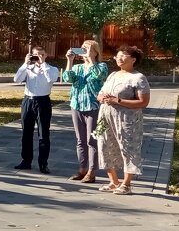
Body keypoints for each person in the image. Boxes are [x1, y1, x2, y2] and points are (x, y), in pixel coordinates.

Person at [95, 45, 151, 195]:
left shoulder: (138, 78)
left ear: (133, 59)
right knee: (105, 145)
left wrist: (118, 100)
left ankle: (126, 184)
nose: (119, 58)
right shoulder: (113, 75)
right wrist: (101, 98)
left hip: (127, 120)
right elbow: (101, 93)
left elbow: (143, 102)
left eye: (123, 56)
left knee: (128, 148)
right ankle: (113, 181)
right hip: (106, 116)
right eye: (117, 55)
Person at [61, 40, 108, 183]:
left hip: (94, 107)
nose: (84, 51)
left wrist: (91, 60)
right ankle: (82, 169)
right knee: (80, 140)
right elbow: (67, 78)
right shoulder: (78, 67)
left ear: (95, 51)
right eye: (82, 49)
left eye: (87, 49)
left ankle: (92, 171)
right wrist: (69, 61)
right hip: (77, 105)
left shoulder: (101, 66)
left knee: (91, 140)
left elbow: (100, 76)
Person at [13, 45, 59, 173]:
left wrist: (42, 64)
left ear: (46, 55)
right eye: (36, 55)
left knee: (43, 134)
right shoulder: (28, 68)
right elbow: (17, 79)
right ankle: (26, 160)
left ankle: (43, 163)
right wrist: (25, 63)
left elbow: (52, 79)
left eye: (42, 54)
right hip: (28, 100)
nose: (39, 57)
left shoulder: (51, 69)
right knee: (26, 133)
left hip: (43, 101)